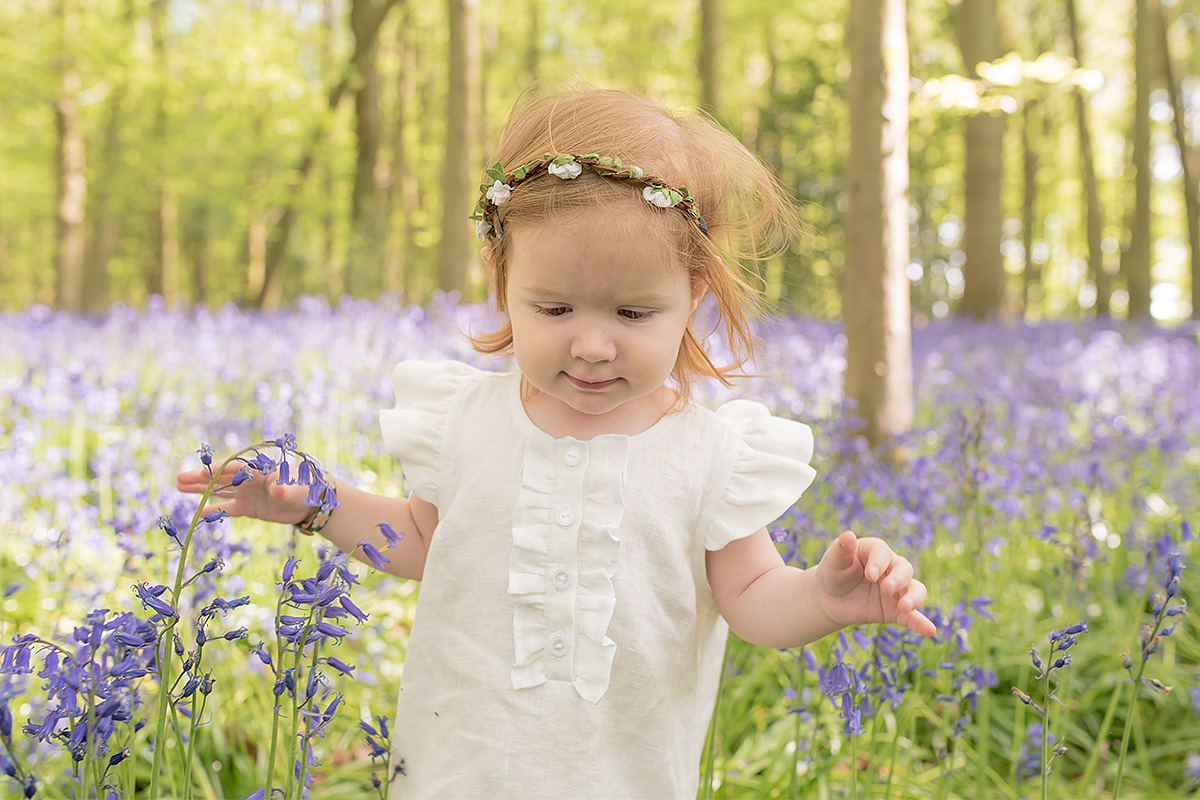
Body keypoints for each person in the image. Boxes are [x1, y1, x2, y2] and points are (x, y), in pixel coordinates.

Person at [178, 88, 936, 799]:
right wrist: (315, 503)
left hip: (625, 777)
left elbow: (753, 602)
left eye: (634, 313)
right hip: (458, 770)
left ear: (692, 301)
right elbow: (417, 541)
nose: (594, 345)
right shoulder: (464, 422)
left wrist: (825, 597)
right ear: (504, 282)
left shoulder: (712, 456)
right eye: (556, 307)